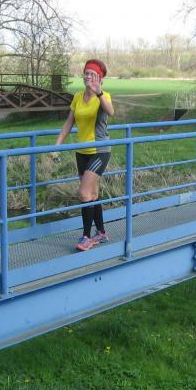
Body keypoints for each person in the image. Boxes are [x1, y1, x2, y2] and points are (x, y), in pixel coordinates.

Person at [53, 59, 115, 251]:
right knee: (92, 194)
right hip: (81, 152)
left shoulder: (104, 96)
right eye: (86, 73)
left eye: (92, 74)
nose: (88, 76)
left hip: (99, 151)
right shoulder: (78, 97)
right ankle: (101, 233)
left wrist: (99, 92)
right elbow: (68, 123)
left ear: (99, 78)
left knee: (84, 193)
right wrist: (57, 146)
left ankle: (86, 237)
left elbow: (111, 112)